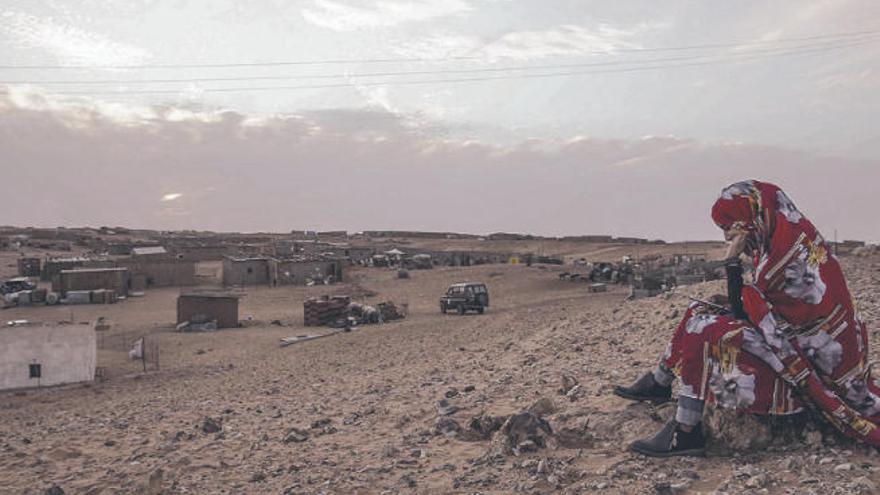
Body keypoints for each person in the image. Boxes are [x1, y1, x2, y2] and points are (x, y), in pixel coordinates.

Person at [614, 180, 876, 457]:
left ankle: (685, 430)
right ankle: (659, 382)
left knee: (700, 327)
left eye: (729, 227)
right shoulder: (789, 238)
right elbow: (765, 309)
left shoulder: (782, 260)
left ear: (749, 218)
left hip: (812, 361)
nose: (727, 236)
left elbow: (751, 312)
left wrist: (731, 261)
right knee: (699, 310)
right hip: (795, 339)